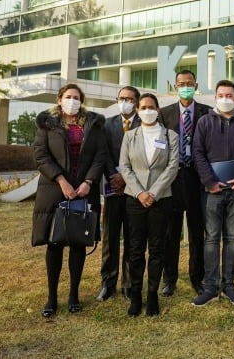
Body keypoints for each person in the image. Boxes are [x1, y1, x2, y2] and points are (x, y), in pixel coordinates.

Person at [32, 83, 107, 318]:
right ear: (59, 98)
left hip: (85, 189)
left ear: (81, 100)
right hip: (55, 190)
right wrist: (62, 180)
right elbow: (40, 155)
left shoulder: (94, 124)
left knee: (78, 242)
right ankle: (51, 297)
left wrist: (88, 182)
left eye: (76, 97)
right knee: (54, 243)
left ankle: (74, 293)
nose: (72, 100)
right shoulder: (47, 123)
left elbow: (100, 155)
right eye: (68, 97)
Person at [191, 80, 234, 306]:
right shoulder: (204, 122)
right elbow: (197, 152)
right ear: (215, 98)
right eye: (221, 95)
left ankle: (229, 285)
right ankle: (210, 286)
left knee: (231, 238)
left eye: (229, 95)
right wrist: (209, 181)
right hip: (212, 191)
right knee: (211, 239)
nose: (225, 98)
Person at [119, 93, 179, 316]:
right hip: (135, 199)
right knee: (135, 249)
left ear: (158, 109)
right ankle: (135, 295)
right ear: (137, 109)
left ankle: (152, 294)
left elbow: (172, 167)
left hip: (161, 199)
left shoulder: (169, 135)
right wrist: (140, 193)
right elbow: (124, 167)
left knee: (157, 249)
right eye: (143, 107)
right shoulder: (130, 136)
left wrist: (153, 193)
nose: (147, 110)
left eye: (151, 107)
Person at [159, 70, 211, 297]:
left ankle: (197, 278)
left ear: (196, 85)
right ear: (175, 87)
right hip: (172, 178)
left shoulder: (207, 113)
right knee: (170, 233)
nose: (185, 87)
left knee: (197, 232)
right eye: (181, 84)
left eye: (189, 83)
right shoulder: (164, 114)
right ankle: (169, 279)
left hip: (197, 179)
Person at [96, 85, 141, 302]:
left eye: (130, 99)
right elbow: (102, 153)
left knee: (133, 238)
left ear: (137, 102)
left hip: (134, 189)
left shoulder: (146, 124)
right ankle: (108, 283)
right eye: (122, 98)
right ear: (117, 100)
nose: (125, 102)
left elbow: (146, 156)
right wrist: (113, 176)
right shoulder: (107, 124)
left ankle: (129, 285)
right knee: (110, 238)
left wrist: (126, 176)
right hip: (113, 189)